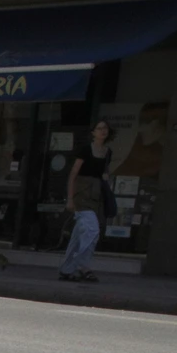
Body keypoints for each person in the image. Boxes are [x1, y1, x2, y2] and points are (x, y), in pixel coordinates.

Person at [60, 120, 113, 283]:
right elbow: (73, 174)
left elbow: (104, 173)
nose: (103, 131)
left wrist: (106, 180)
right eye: (99, 128)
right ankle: (82, 266)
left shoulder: (107, 152)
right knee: (92, 230)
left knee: (78, 235)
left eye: (105, 128)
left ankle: (67, 270)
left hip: (96, 195)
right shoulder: (85, 149)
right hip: (81, 194)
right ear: (93, 132)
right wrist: (70, 198)